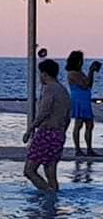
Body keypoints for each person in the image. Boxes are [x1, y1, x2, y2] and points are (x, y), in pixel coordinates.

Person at [24, 58, 71, 193]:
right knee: (50, 171)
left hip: (47, 132)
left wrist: (30, 129)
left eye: (40, 74)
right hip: (59, 134)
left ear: (44, 74)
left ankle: (47, 193)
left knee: (29, 170)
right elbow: (67, 116)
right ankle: (53, 204)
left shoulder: (49, 89)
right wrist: (61, 133)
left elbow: (44, 112)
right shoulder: (63, 91)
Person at [65, 50, 98, 157]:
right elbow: (84, 85)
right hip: (79, 99)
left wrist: (91, 72)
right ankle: (78, 149)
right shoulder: (72, 73)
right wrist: (90, 71)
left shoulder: (79, 73)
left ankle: (89, 149)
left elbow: (89, 85)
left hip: (84, 98)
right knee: (78, 124)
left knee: (89, 124)